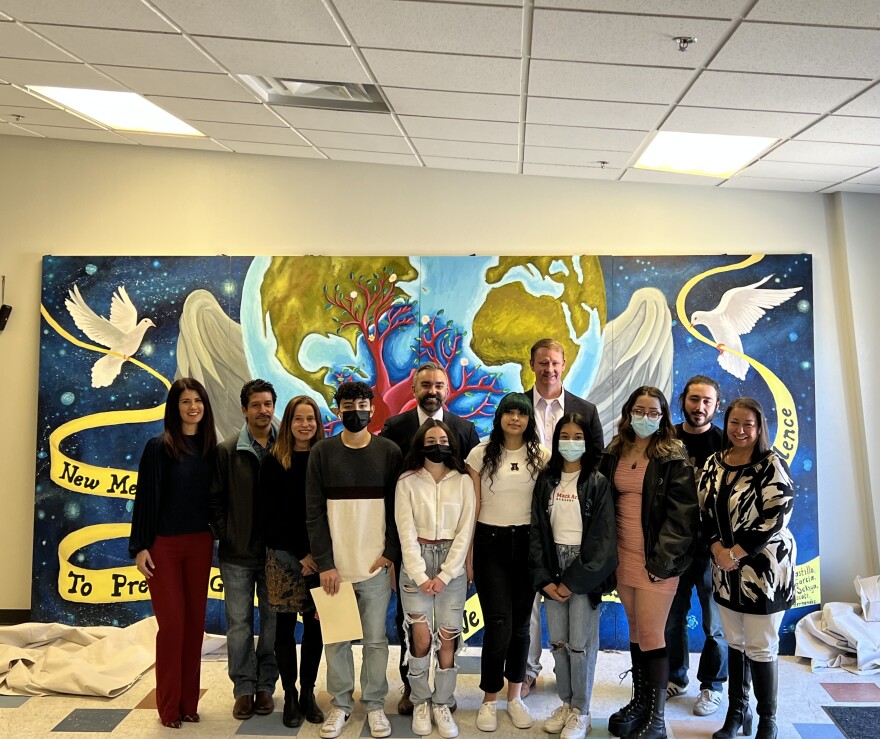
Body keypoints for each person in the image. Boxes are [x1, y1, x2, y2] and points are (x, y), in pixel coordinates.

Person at [597, 386, 698, 739]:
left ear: (663, 417)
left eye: (653, 412)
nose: (645, 417)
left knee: (654, 634)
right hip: (623, 558)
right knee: (637, 632)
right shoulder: (614, 451)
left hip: (657, 561)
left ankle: (657, 719)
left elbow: (683, 517)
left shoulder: (673, 456)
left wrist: (662, 560)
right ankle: (640, 703)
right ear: (628, 412)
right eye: (639, 410)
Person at [381, 361, 480, 715]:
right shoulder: (395, 427)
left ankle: (444, 695)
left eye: (439, 384)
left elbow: (473, 491)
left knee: (448, 629)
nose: (432, 391)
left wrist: (465, 559)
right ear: (414, 389)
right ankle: (412, 690)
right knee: (410, 625)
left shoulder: (465, 429)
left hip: (451, 547)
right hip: (410, 546)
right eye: (425, 385)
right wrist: (397, 555)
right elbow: (391, 493)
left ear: (447, 389)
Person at [306, 381, 402, 739]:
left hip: (375, 566)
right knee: (337, 640)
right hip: (336, 570)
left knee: (376, 640)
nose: (356, 410)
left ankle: (375, 704)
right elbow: (313, 512)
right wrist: (326, 564)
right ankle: (342, 704)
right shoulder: (322, 453)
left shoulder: (389, 452)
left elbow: (398, 510)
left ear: (372, 407)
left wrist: (390, 553)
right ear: (338, 409)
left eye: (362, 403)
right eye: (348, 404)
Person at [699, 398, 796, 739]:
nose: (740, 430)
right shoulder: (714, 463)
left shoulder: (770, 464)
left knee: (760, 645)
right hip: (724, 569)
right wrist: (717, 549)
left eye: (748, 424)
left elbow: (777, 515)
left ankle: (767, 719)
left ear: (759, 428)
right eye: (734, 422)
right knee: (735, 641)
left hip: (764, 571)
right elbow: (704, 513)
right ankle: (737, 714)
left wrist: (737, 553)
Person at [130, 378, 217, 729]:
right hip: (164, 546)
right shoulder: (158, 447)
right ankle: (168, 708)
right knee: (173, 626)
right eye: (185, 401)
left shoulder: (212, 448)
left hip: (199, 544)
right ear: (175, 407)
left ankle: (188, 703)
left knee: (195, 626)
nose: (192, 406)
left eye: (198, 400)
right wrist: (139, 548)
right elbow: (145, 500)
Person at [523, 338, 604, 698]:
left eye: (555, 363)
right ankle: (527, 670)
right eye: (542, 363)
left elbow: (597, 460)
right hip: (529, 516)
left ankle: (574, 691)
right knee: (532, 604)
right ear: (532, 364)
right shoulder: (518, 407)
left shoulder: (584, 409)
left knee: (575, 622)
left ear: (564, 364)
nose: (549, 369)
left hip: (573, 518)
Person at [529, 413, 617, 739]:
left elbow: (603, 540)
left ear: (587, 441)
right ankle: (565, 703)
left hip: (583, 570)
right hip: (553, 566)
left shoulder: (597, 482)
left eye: (577, 436)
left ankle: (582, 710)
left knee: (581, 644)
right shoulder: (547, 481)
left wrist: (573, 581)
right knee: (560, 643)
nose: (570, 442)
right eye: (564, 436)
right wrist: (546, 579)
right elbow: (537, 532)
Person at [466, 392, 550, 733]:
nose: (515, 419)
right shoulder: (479, 454)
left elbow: (546, 510)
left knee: (521, 627)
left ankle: (514, 696)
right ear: (499, 417)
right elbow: (472, 507)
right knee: (498, 622)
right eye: (509, 413)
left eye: (522, 414)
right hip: (490, 543)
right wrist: (469, 554)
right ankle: (489, 699)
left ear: (529, 420)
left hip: (527, 545)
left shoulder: (542, 456)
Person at [395, 419, 475, 739]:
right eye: (431, 439)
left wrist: (445, 574)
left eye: (443, 438)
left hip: (451, 567)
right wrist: (419, 574)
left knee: (447, 636)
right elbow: (405, 531)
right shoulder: (407, 481)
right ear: (420, 444)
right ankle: (419, 700)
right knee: (421, 637)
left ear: (451, 444)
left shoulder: (464, 481)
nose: (438, 443)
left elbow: (465, 531)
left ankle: (442, 701)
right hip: (416, 560)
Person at [208, 379, 279, 720]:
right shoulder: (227, 450)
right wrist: (227, 533)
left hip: (276, 556)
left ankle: (266, 686)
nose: (263, 410)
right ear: (244, 409)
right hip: (237, 555)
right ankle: (243, 689)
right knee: (238, 625)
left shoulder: (287, 449)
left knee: (272, 623)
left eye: (267, 404)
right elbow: (215, 500)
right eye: (256, 405)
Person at [256, 395, 325, 728]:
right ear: (288, 422)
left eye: (310, 418)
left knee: (316, 627)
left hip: (321, 560)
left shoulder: (325, 459)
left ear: (317, 422)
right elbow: (270, 517)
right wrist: (302, 554)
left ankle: (309, 692)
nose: (304, 425)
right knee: (283, 628)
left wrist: (319, 557)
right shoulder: (274, 461)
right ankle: (291, 695)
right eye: (298, 419)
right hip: (285, 559)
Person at [665, 376, 728, 716]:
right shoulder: (667, 440)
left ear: (715, 406)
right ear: (683, 401)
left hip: (712, 550)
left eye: (707, 401)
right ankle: (676, 677)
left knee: (714, 624)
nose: (699, 407)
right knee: (672, 620)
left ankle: (712, 686)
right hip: (674, 548)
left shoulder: (725, 444)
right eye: (694, 400)